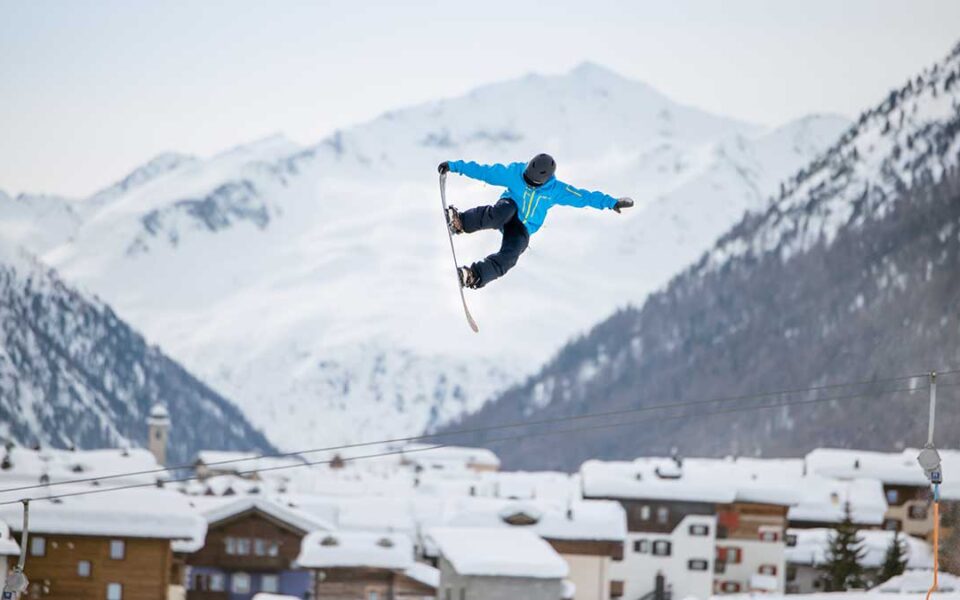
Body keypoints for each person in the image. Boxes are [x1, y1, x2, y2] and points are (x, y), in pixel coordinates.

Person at [439, 153, 633, 288]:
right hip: (509, 207)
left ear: (545, 181)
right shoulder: (515, 173)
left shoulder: (556, 190)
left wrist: (611, 202)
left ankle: (474, 275)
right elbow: (485, 172)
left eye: (533, 184)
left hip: (524, 226)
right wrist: (454, 166)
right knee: (500, 212)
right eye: (526, 180)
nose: (528, 185)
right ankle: (461, 222)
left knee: (511, 255)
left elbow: (584, 197)